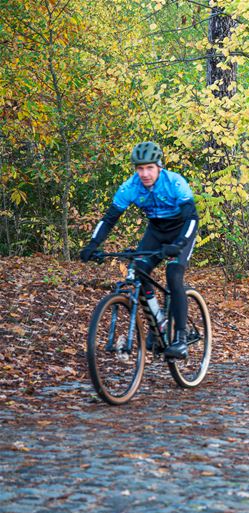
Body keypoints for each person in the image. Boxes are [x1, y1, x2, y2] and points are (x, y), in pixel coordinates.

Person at [79, 141, 199, 360]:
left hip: (181, 232)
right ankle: (158, 324)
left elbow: (192, 217)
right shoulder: (130, 187)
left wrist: (180, 244)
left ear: (159, 166)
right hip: (156, 231)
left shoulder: (174, 182)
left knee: (173, 275)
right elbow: (109, 219)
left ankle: (181, 339)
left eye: (149, 168)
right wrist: (93, 245)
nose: (144, 173)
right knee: (137, 271)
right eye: (140, 168)